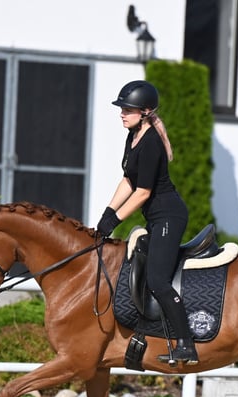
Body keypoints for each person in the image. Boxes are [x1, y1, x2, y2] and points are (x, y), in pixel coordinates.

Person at [96, 80, 199, 365]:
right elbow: (129, 180)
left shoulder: (151, 141)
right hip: (155, 216)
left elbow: (144, 192)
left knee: (157, 280)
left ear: (144, 112)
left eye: (127, 109)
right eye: (122, 108)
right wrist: (107, 213)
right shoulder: (132, 136)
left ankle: (186, 343)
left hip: (169, 216)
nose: (122, 113)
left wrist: (116, 220)